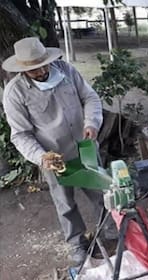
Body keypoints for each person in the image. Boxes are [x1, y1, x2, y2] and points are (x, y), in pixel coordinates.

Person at [2, 37, 114, 265]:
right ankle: (76, 243)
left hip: (85, 146)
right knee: (65, 203)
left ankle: (109, 230)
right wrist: (41, 157)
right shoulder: (15, 93)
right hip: (54, 157)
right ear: (23, 69)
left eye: (44, 64)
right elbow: (20, 135)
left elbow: (90, 97)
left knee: (101, 191)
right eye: (34, 69)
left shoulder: (66, 71)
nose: (42, 71)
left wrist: (91, 123)